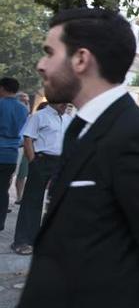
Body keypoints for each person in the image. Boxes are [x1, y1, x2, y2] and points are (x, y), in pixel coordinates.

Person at [19, 7, 139, 307]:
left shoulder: (137, 137)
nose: (41, 65)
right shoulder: (80, 127)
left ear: (81, 59)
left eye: (49, 52)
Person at [11, 102, 71, 255]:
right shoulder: (39, 116)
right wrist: (33, 163)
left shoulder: (68, 118)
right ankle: (23, 241)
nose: (65, 105)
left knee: (58, 203)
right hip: (42, 160)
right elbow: (28, 139)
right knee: (32, 201)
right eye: (63, 102)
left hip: (60, 163)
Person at [1, 78, 29, 229]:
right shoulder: (23, 109)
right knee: (3, 189)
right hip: (12, 154)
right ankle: (1, 222)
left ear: (3, 88)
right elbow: (23, 135)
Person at [12, 92, 32, 206]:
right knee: (10, 174)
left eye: (27, 101)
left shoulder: (30, 116)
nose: (26, 103)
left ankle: (20, 198)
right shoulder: (14, 114)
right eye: (24, 101)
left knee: (22, 175)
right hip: (15, 147)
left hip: (26, 148)